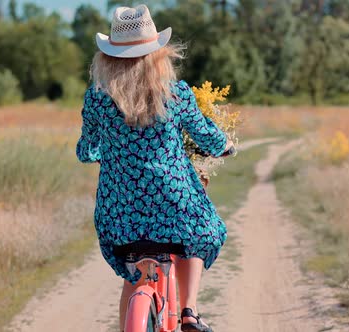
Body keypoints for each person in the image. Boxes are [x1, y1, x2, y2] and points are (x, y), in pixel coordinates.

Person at [75, 4, 234, 332]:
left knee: (131, 281)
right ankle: (190, 310)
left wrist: (94, 152)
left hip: (120, 210)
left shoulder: (97, 99)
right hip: (172, 202)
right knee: (201, 229)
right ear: (158, 55)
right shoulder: (175, 94)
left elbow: (87, 148)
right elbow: (205, 134)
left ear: (108, 57)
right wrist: (226, 146)